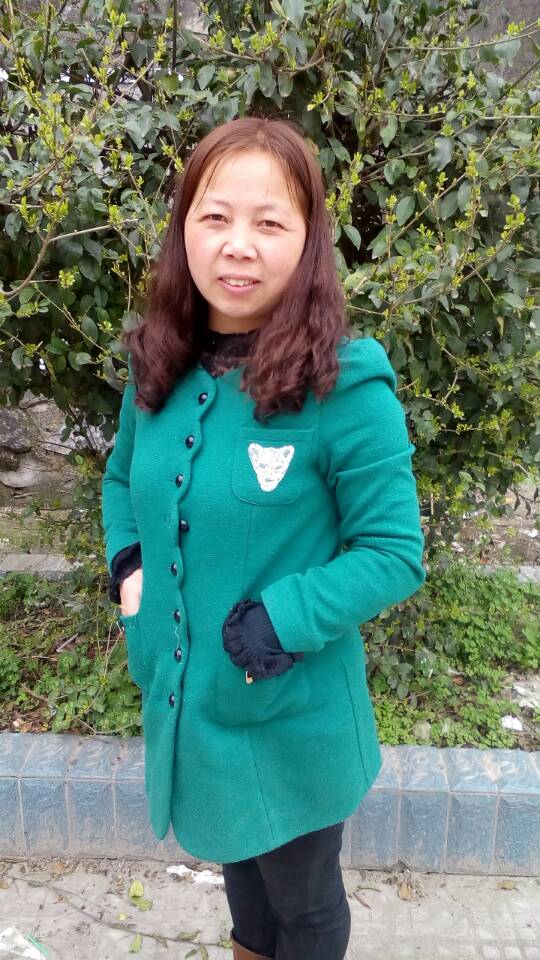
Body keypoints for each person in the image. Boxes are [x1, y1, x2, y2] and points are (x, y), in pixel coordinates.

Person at [101, 115, 426, 960]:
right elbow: (121, 482)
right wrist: (129, 565)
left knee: (303, 904)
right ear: (184, 229)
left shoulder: (346, 385)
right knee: (240, 875)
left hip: (290, 718)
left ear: (308, 240)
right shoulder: (157, 362)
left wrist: (279, 620)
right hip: (192, 703)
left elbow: (394, 552)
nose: (237, 245)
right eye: (215, 217)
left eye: (269, 222)